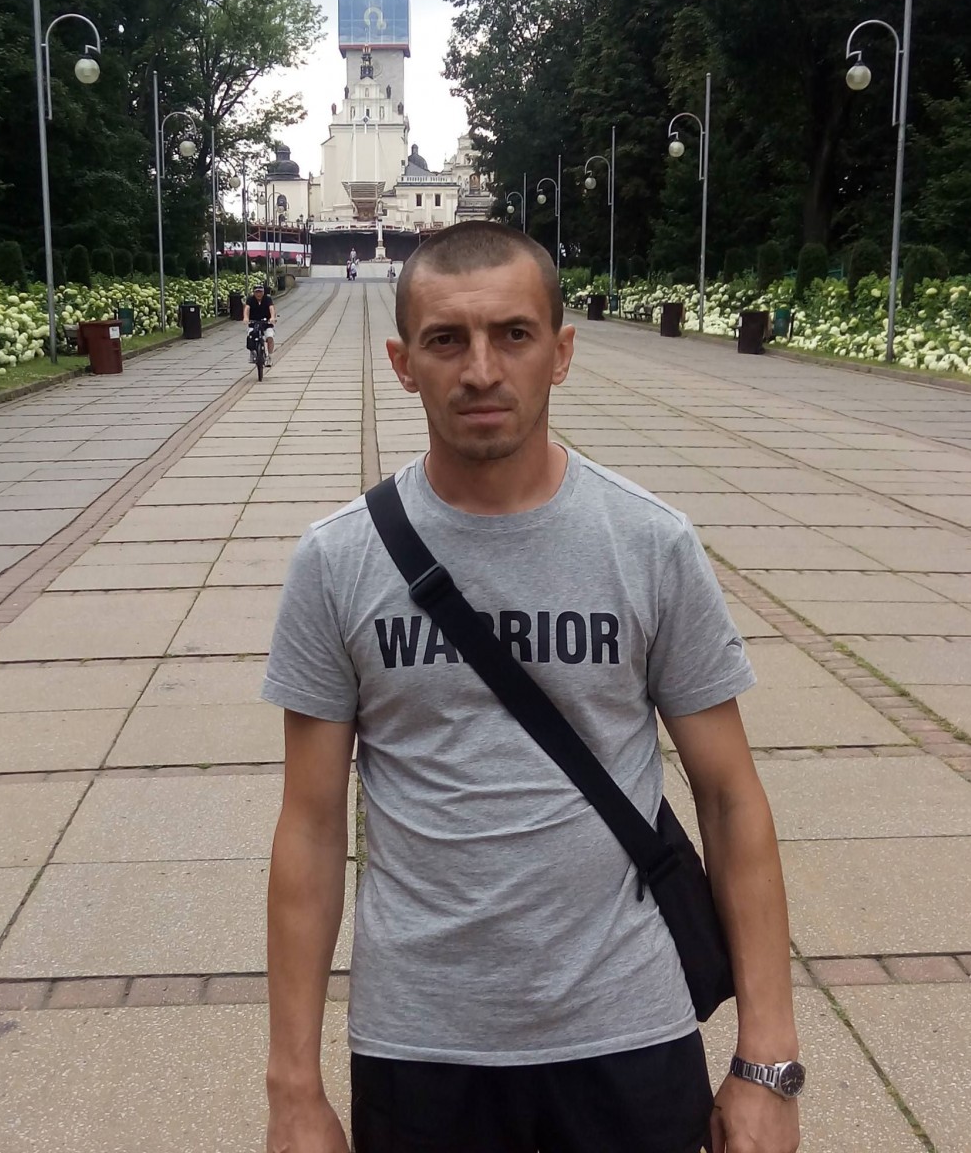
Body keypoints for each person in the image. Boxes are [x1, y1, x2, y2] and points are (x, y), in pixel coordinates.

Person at [263, 222, 802, 1153]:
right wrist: (292, 1090)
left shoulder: (649, 543)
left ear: (561, 351)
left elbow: (730, 798)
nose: (481, 370)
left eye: (512, 334)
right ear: (402, 364)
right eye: (446, 340)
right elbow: (309, 830)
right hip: (421, 1046)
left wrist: (768, 1061)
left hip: (628, 1030)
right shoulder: (337, 561)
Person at [244, 282, 276, 365]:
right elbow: (247, 308)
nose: (258, 294)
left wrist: (272, 317)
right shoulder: (250, 299)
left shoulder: (267, 299)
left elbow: (271, 308)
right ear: (254, 293)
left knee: (270, 337)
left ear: (263, 292)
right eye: (257, 292)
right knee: (250, 336)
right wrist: (246, 318)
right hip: (254, 322)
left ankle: (270, 357)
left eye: (260, 292)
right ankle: (252, 353)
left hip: (266, 323)